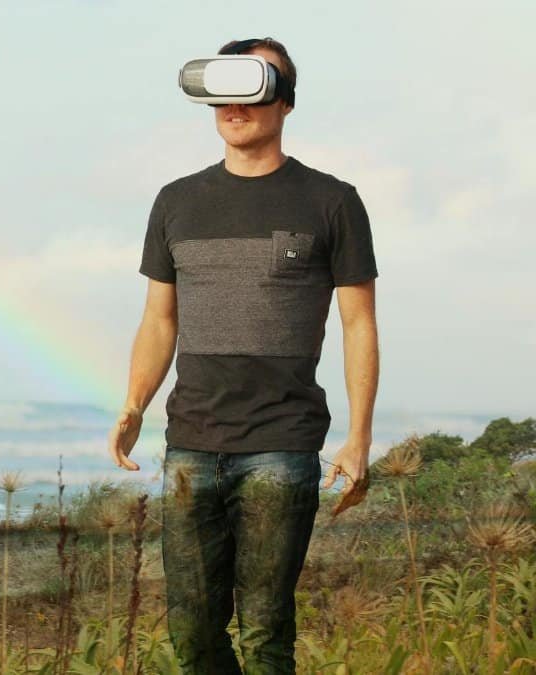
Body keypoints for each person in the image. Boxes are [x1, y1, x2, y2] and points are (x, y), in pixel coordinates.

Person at [106, 37, 380, 673]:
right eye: (223, 89)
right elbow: (158, 316)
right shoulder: (176, 200)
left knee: (263, 634)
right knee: (193, 637)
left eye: (255, 86)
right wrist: (133, 402)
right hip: (191, 443)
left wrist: (359, 438)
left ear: (285, 100)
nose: (236, 104)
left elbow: (358, 322)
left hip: (281, 443)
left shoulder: (331, 200)